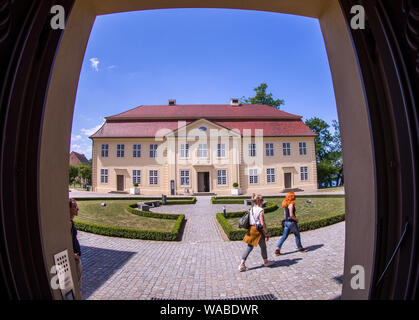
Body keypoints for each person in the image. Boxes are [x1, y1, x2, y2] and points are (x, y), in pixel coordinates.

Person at [238, 194, 275, 271]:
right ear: (259, 201)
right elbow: (262, 222)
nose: (262, 202)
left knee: (250, 247)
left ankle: (242, 263)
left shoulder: (251, 209)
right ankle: (265, 262)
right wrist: (267, 232)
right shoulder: (260, 210)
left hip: (251, 229)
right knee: (263, 246)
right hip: (257, 230)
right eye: (262, 201)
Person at [69, 198, 82, 287]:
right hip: (74, 259)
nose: (77, 208)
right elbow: (65, 241)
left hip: (76, 258)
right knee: (77, 286)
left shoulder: (70, 222)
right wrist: (72, 255)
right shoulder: (68, 223)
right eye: (74, 206)